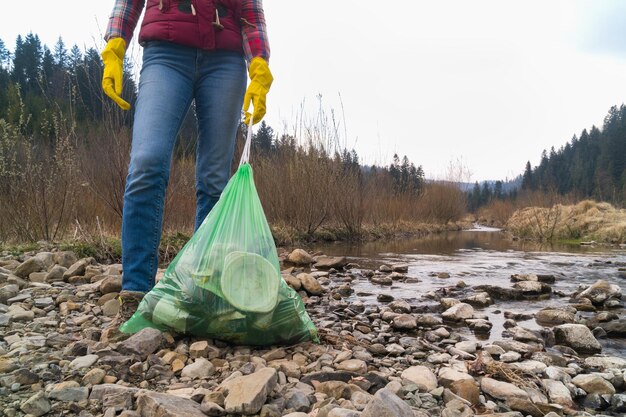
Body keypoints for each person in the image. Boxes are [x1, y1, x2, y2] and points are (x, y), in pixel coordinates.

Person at [100, 0, 272, 340]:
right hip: (165, 55)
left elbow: (252, 16)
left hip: (225, 61)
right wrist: (116, 41)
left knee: (214, 180)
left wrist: (259, 64)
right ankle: (135, 291)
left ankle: (200, 293)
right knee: (146, 162)